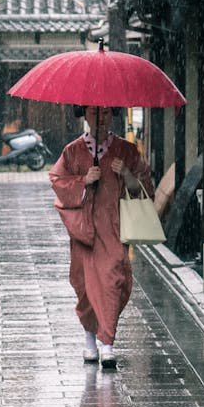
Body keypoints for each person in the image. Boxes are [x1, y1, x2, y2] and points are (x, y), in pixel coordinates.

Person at [49, 104, 154, 369]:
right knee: (85, 286)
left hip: (113, 228)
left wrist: (127, 175)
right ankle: (90, 340)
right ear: (85, 114)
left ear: (113, 114)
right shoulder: (72, 151)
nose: (100, 118)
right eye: (95, 112)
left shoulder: (127, 151)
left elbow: (144, 187)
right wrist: (84, 181)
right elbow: (57, 180)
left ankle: (107, 342)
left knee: (111, 281)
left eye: (106, 112)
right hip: (84, 231)